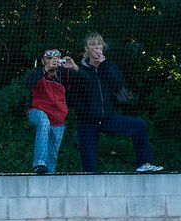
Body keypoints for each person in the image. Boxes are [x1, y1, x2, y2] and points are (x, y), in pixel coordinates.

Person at [70, 32, 163, 173]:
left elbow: (118, 85)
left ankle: (143, 164)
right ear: (86, 49)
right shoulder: (78, 69)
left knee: (139, 125)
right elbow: (72, 96)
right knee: (88, 163)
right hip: (87, 120)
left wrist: (103, 65)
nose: (97, 47)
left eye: (99, 44)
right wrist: (85, 112)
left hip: (108, 117)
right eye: (93, 44)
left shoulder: (109, 65)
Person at [25, 44, 84, 174]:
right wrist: (46, 69)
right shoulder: (37, 72)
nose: (53, 60)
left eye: (56, 56)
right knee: (43, 121)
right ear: (42, 61)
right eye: (49, 57)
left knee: (52, 156)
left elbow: (87, 83)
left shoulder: (65, 74)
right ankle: (39, 162)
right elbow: (28, 84)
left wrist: (75, 67)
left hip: (58, 118)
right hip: (37, 111)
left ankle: (48, 176)